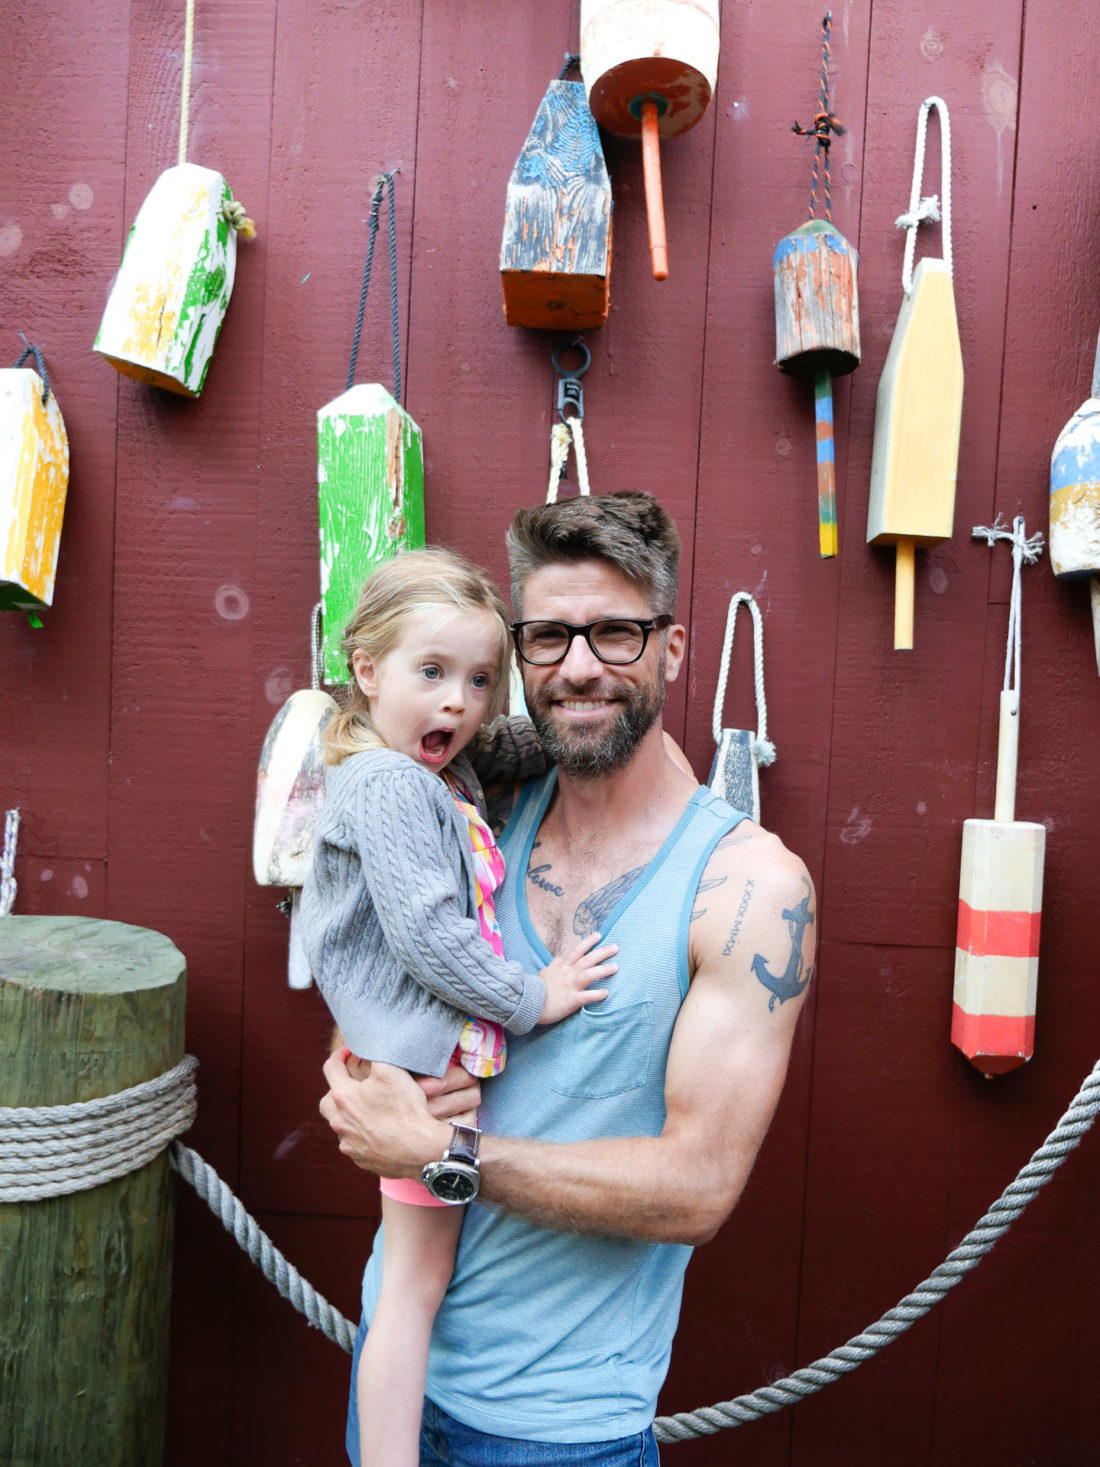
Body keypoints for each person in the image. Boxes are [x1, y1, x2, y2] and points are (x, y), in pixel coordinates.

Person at [319, 492, 816, 1466]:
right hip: (394, 1368)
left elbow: (695, 1188)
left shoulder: (748, 887)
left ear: (671, 648)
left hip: (555, 1432)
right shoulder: (475, 791)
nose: (578, 664)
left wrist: (442, 1146)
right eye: (547, 636)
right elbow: (381, 963)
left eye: (615, 633)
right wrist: (370, 1071)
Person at [300, 547, 619, 1467]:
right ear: (365, 669)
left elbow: (512, 745)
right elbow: (429, 936)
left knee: (419, 1276)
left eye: (481, 680)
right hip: (417, 1068)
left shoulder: (430, 766)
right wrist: (535, 995)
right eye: (431, 673)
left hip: (414, 1057)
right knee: (414, 1284)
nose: (459, 704)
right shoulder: (394, 784)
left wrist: (587, 706)